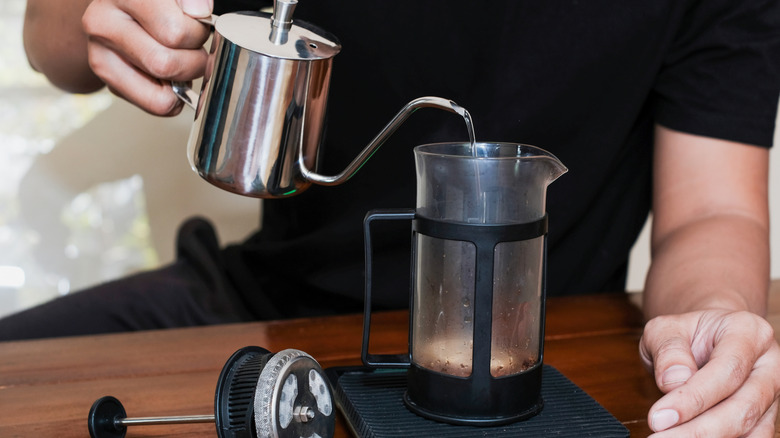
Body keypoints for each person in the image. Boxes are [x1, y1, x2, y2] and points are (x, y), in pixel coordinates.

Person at [7, 0, 780, 436]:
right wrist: (86, 19)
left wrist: (715, 317)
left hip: (535, 357)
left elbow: (712, 212)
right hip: (256, 312)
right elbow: (50, 36)